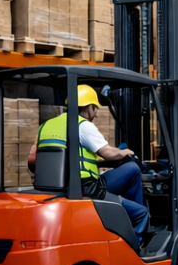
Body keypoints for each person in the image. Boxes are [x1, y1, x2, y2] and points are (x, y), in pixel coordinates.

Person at [29, 85, 149, 237]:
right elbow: (108, 152)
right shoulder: (83, 125)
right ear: (88, 107)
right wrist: (125, 152)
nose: (96, 114)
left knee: (130, 170)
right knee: (140, 205)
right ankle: (134, 239)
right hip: (87, 189)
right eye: (95, 108)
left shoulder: (45, 126)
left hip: (54, 189)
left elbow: (32, 160)